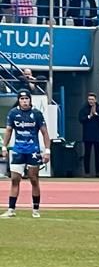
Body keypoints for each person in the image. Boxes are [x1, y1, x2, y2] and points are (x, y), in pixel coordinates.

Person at [4, 90, 50, 218]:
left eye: (26, 99)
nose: (24, 101)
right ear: (18, 100)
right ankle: (11, 209)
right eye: (22, 99)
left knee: (34, 179)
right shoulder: (13, 113)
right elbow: (8, 131)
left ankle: (35, 209)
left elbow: (45, 133)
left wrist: (47, 151)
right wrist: (4, 147)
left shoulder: (36, 114)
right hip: (18, 150)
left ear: (30, 100)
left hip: (33, 150)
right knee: (14, 179)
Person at [78, 94, 99, 177]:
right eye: (89, 99)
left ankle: (98, 172)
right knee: (87, 154)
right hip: (87, 134)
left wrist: (96, 114)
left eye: (92, 99)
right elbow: (81, 119)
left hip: (98, 135)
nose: (91, 101)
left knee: (98, 154)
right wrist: (89, 116)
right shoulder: (84, 108)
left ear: (95, 100)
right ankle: (87, 172)